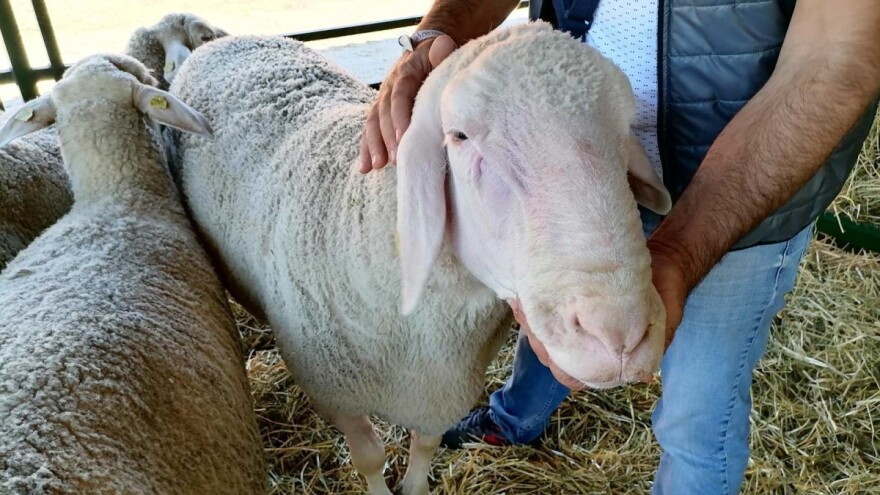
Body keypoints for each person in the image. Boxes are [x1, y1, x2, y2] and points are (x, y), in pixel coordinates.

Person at [360, 1, 880, 493]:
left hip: (740, 202)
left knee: (697, 411)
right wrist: (436, 33)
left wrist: (680, 251)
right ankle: (515, 417)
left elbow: (835, 58)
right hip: (571, 159)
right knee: (560, 314)